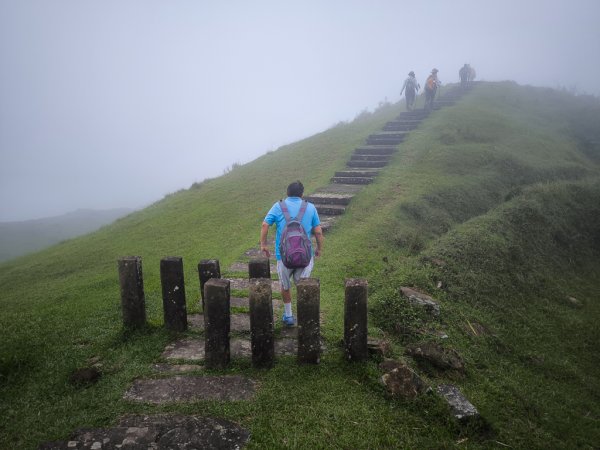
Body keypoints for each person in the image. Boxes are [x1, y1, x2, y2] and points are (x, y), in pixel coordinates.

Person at [260, 181, 324, 326]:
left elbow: (265, 225)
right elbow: (318, 232)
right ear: (302, 194)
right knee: (303, 285)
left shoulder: (278, 206)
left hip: (283, 256)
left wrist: (263, 245)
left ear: (287, 193)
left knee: (285, 285)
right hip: (305, 257)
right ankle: (305, 316)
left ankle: (288, 316)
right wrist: (319, 249)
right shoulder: (310, 207)